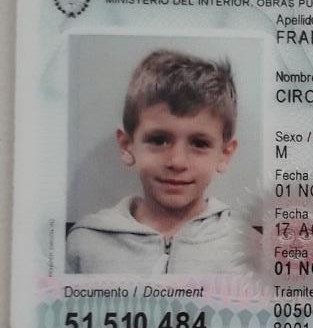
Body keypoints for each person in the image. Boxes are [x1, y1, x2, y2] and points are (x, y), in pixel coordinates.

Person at [66, 50, 240, 274]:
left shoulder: (245, 248)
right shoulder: (86, 244)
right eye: (159, 140)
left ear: (224, 154)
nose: (177, 162)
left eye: (199, 143)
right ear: (127, 146)